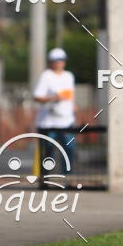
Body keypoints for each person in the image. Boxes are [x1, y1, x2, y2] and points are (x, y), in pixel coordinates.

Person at [33, 48, 76, 185]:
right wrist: (53, 98)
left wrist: (73, 108)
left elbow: (70, 97)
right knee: (48, 152)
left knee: (69, 150)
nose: (58, 63)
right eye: (55, 61)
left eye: (61, 60)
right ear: (50, 62)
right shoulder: (46, 76)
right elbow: (37, 97)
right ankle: (44, 179)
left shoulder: (69, 76)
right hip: (48, 122)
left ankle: (68, 180)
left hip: (66, 121)